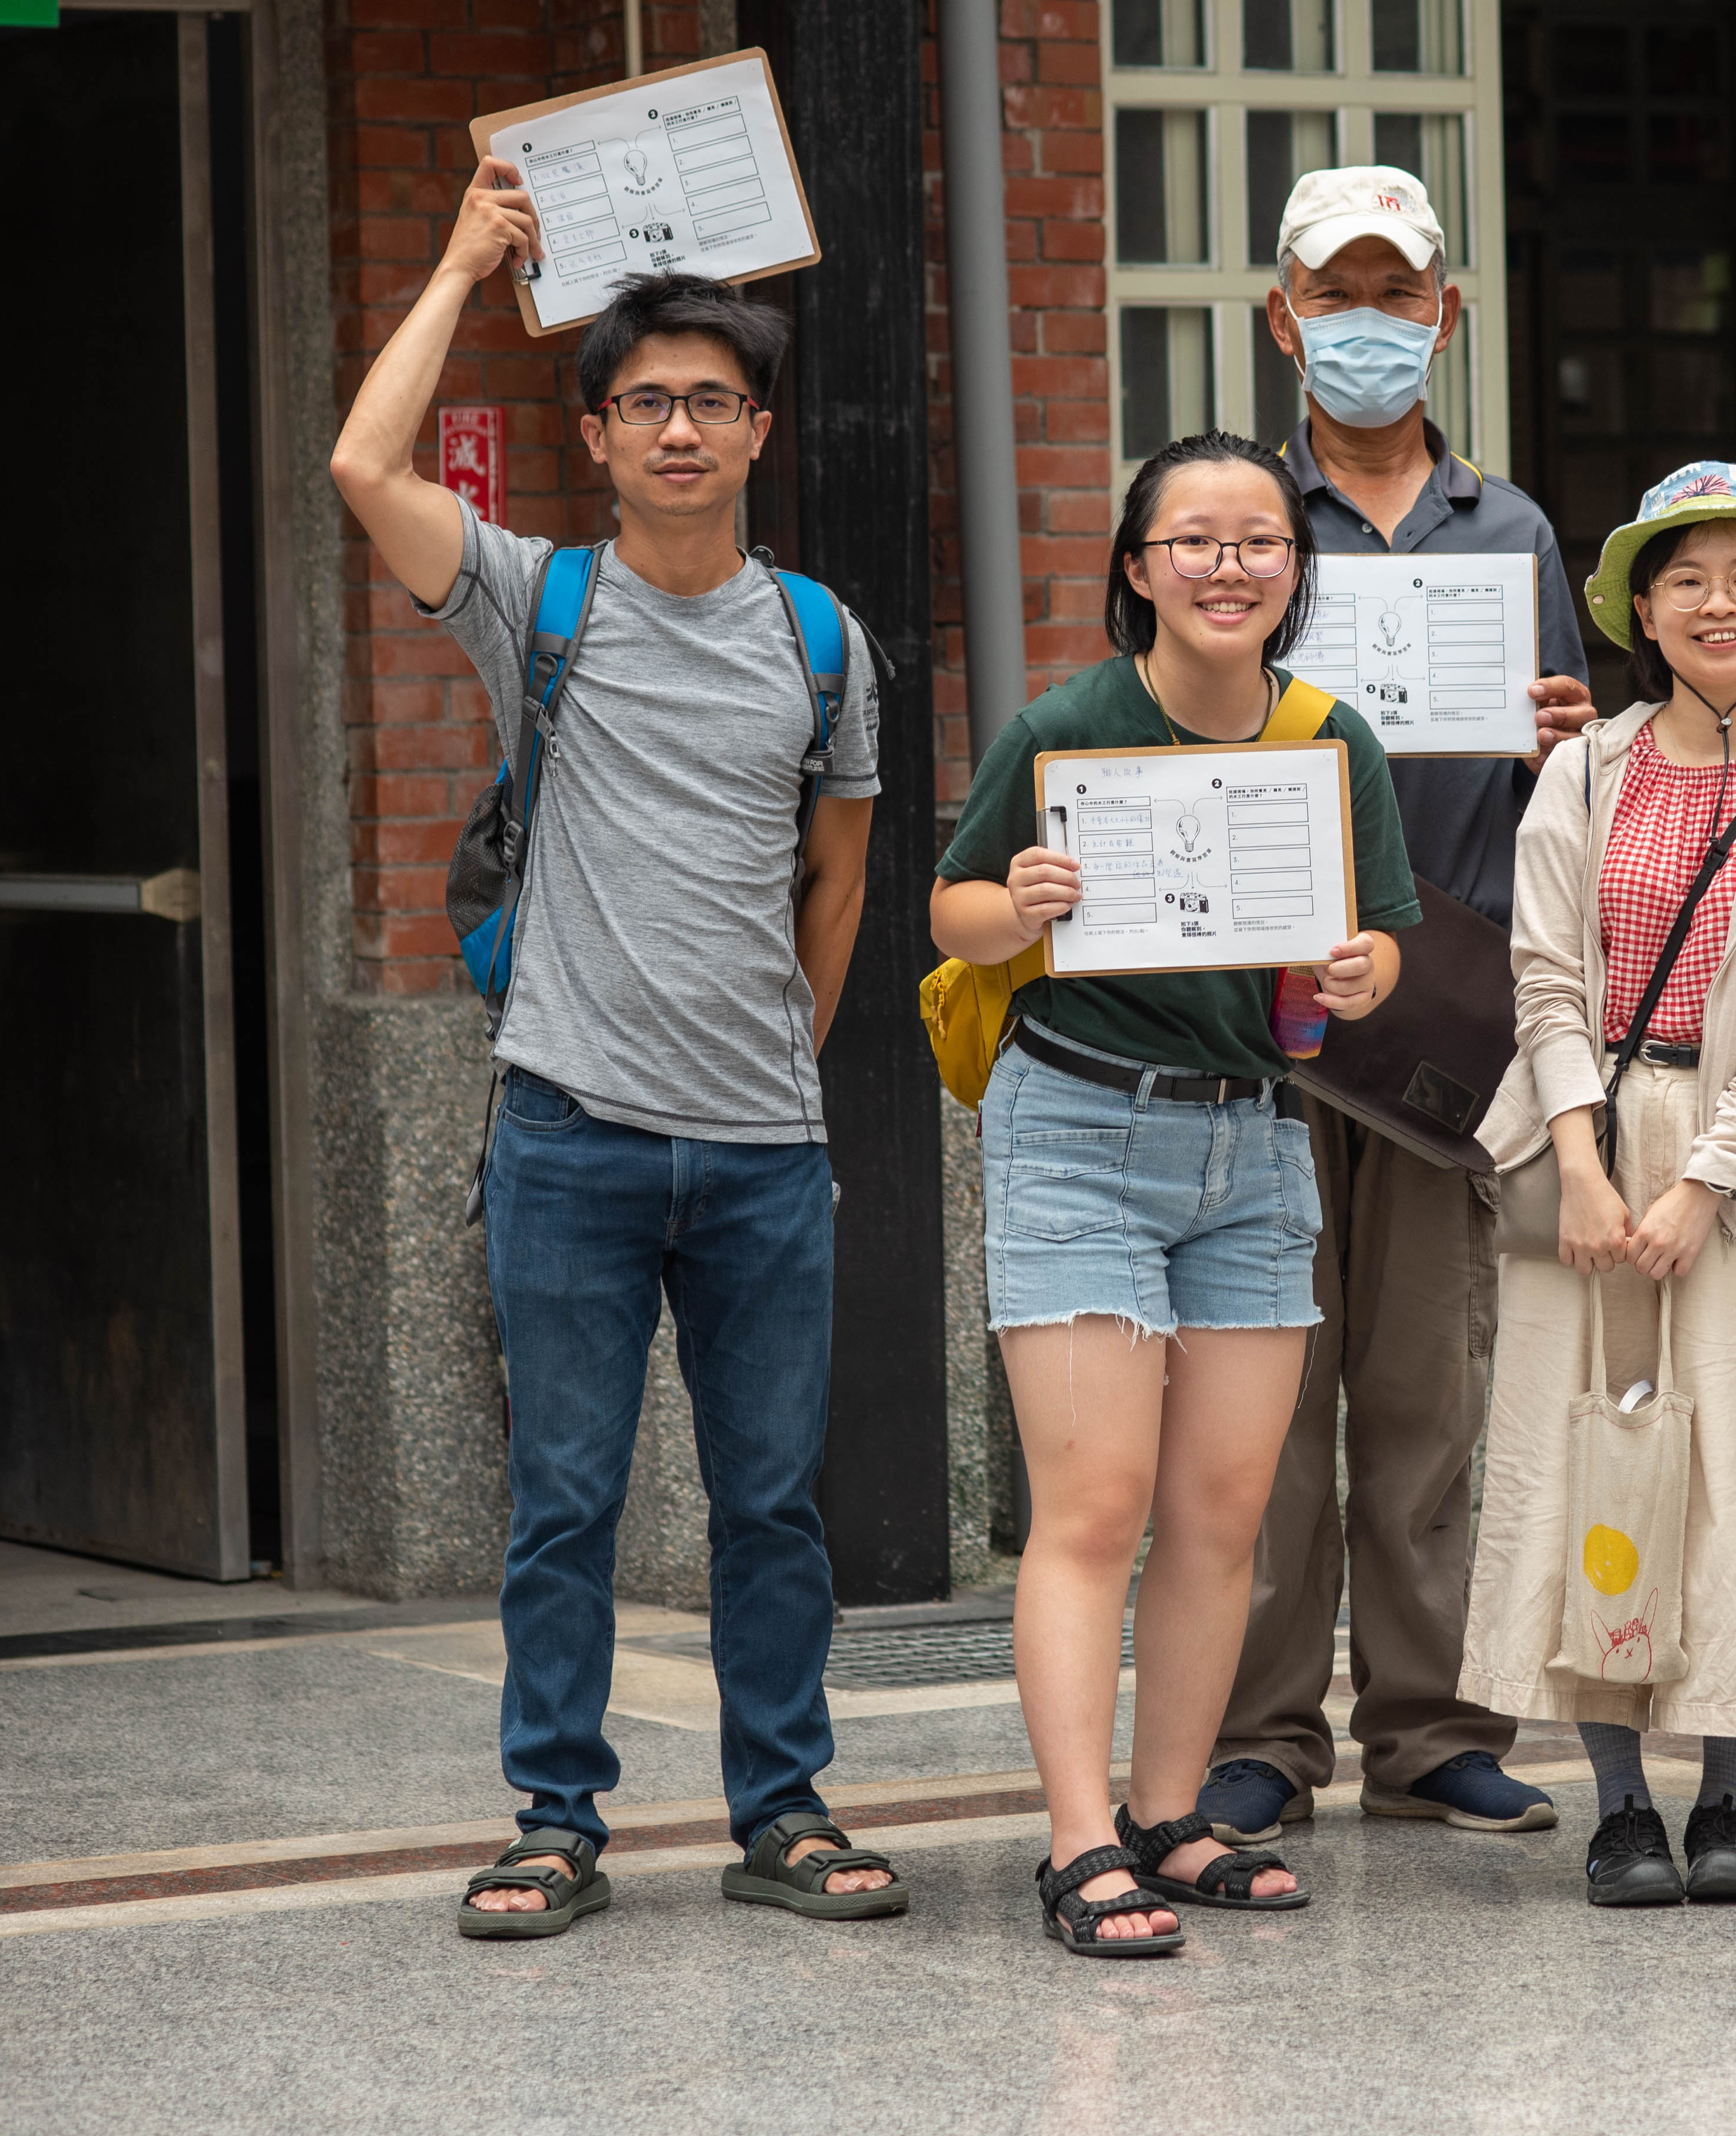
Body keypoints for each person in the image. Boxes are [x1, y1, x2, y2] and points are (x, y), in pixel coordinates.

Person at [329, 176, 903, 1937]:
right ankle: (554, 1817)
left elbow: (841, 872)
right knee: (563, 1505)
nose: (678, 426)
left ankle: (782, 1810)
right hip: (567, 1131)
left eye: (711, 400)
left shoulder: (820, 639)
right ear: (595, 433)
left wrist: (778, 1072)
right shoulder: (535, 600)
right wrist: (455, 264)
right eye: (645, 399)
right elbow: (363, 469)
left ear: (758, 434)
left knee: (771, 1509)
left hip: (757, 1153)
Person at [930, 429, 1421, 1955]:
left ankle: (1174, 1816)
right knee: (1097, 1505)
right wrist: (1011, 909)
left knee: (1225, 1512)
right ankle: (1081, 1841)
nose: (1229, 566)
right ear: (1138, 567)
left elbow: (1384, 937)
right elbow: (948, 907)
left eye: (1259, 542)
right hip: (1077, 1133)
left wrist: (1357, 972)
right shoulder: (1070, 727)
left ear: (1296, 570)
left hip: (1256, 1144)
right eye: (1195, 541)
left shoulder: (1333, 738)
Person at [1192, 166, 1598, 1850]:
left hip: (1447, 1021)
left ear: (1449, 313)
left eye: (1398, 292)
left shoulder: (1511, 534)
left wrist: (1572, 740)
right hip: (1261, 1023)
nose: (1368, 323)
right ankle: (1259, 1736)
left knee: (1434, 1391)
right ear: (1280, 317)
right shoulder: (1220, 514)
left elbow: (1565, 793)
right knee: (1261, 1406)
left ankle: (1434, 1727)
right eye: (1334, 293)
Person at [1459, 463, 1736, 1909]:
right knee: (1586, 1460)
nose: (1718, 602)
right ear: (1642, 606)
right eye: (1686, 577)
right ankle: (1619, 1804)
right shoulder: (1581, 769)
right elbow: (1542, 970)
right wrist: (1581, 1163)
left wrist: (1701, 1181)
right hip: (1580, 1147)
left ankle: (1727, 1801)